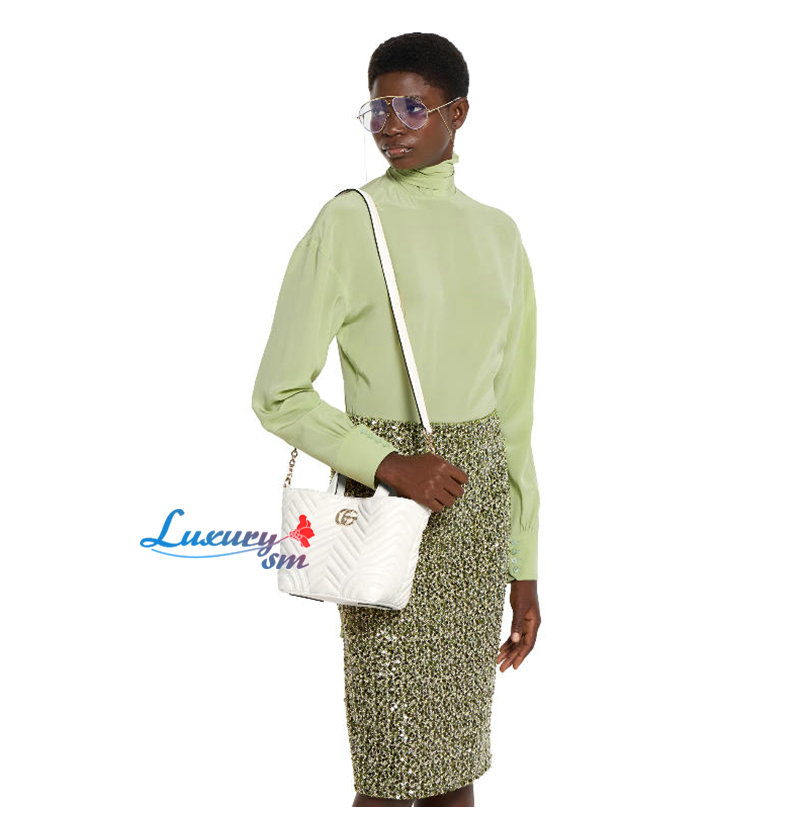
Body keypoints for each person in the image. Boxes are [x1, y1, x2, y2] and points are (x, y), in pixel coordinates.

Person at [251, 32, 541, 807]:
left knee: (454, 763)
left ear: (458, 113)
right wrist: (387, 462)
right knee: (389, 765)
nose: (390, 125)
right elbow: (278, 392)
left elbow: (514, 418)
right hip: (384, 501)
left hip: (475, 512)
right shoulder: (349, 222)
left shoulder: (500, 234)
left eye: (412, 106)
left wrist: (525, 566)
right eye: (378, 108)